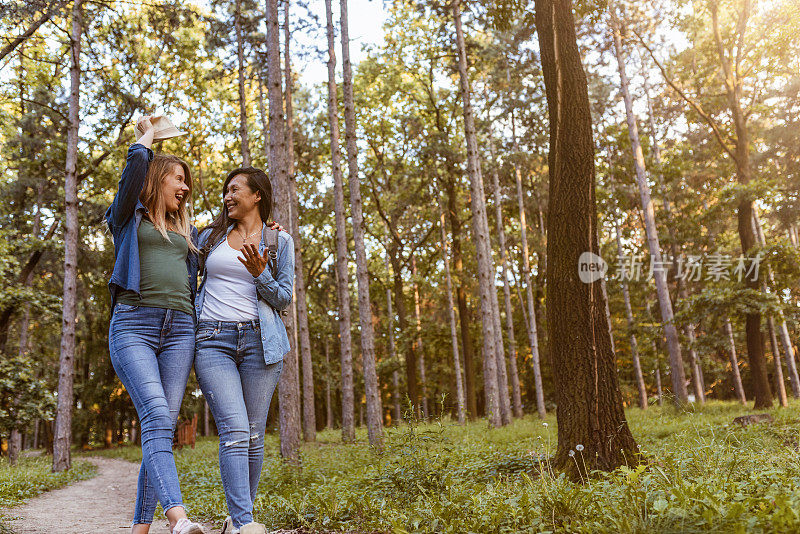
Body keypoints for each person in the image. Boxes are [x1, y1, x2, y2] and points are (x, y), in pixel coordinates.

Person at [106, 116, 205, 534]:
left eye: (186, 181)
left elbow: (232, 235)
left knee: (159, 426)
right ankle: (178, 518)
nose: (184, 187)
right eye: (177, 179)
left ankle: (140, 529)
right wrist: (148, 135)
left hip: (180, 329)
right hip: (134, 326)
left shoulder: (188, 231)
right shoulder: (128, 217)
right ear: (157, 180)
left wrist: (268, 230)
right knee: (157, 416)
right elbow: (134, 168)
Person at [194, 167, 294, 534]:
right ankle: (244, 522)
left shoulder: (280, 242)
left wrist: (260, 274)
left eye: (235, 189)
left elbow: (284, 297)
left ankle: (237, 521)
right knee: (234, 430)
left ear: (257, 196)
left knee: (253, 435)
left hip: (261, 343)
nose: (227, 196)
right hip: (212, 340)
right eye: (225, 190)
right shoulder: (209, 236)